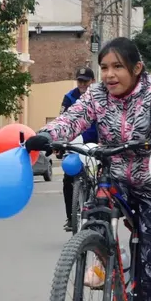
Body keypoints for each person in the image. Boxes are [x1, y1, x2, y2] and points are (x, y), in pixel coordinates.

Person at [24, 37, 151, 301]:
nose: (109, 75)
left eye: (117, 67)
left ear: (137, 69)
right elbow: (73, 118)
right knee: (96, 202)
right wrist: (48, 135)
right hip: (117, 175)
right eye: (104, 68)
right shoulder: (97, 95)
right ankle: (99, 255)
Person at [58, 67, 98, 231]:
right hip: (75, 143)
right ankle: (71, 217)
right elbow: (63, 120)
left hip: (96, 143)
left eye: (85, 81)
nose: (82, 84)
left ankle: (99, 213)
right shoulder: (69, 97)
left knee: (100, 178)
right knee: (68, 178)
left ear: (92, 81)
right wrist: (60, 143)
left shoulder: (100, 97)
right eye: (80, 81)